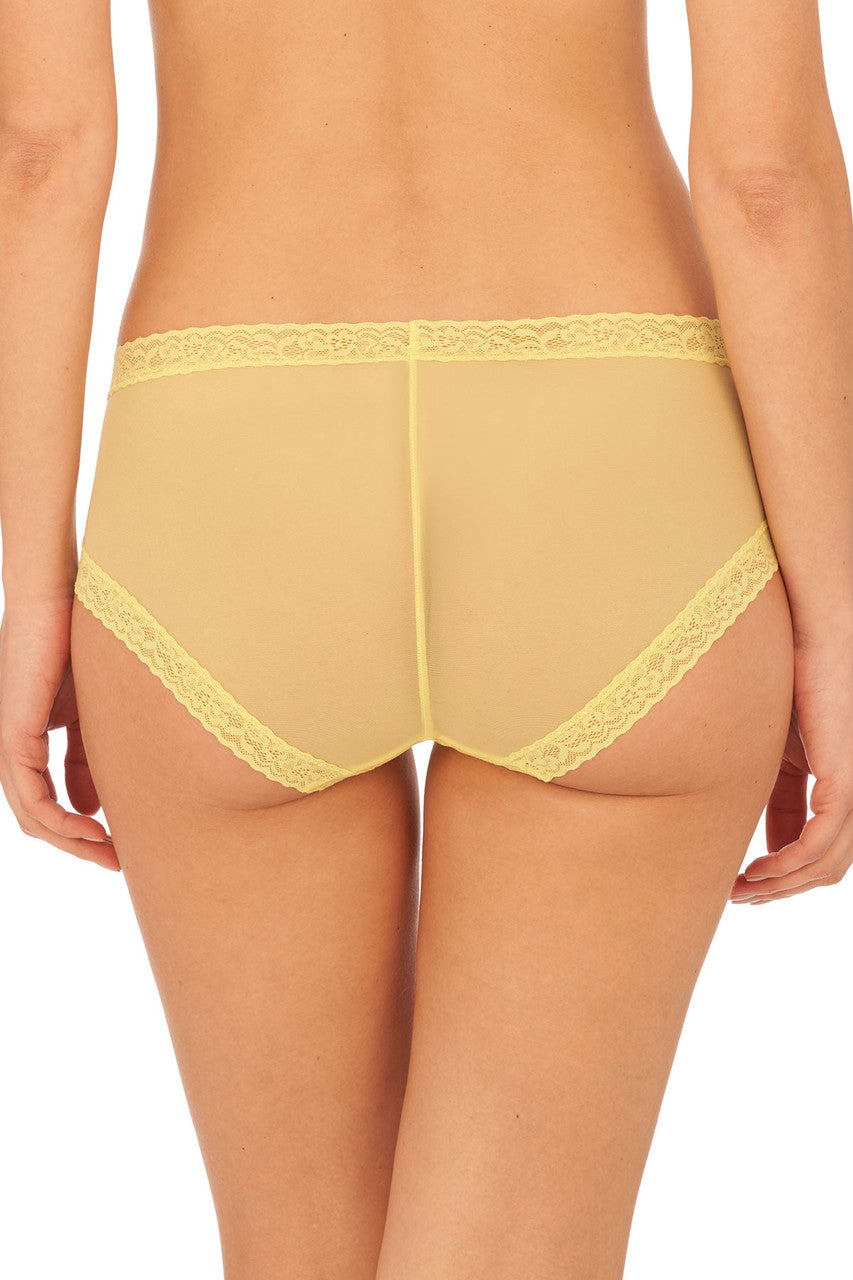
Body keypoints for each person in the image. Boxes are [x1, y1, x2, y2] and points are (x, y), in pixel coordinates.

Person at [1, 0, 851, 1276]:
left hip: (229, 471)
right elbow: (766, 176)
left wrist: (34, 591)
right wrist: (833, 624)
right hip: (608, 463)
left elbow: (41, 151)